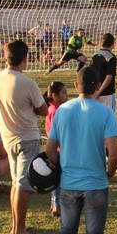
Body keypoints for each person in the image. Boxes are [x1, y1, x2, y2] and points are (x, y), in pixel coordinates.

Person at [45, 66, 117, 234]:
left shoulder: (62, 111)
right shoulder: (105, 112)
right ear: (98, 87)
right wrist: (110, 173)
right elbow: (114, 152)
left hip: (68, 183)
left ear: (76, 86)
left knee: (67, 233)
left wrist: (60, 169)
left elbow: (50, 149)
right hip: (96, 183)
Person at [0, 40, 48, 234]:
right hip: (26, 138)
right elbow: (43, 110)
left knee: (16, 183)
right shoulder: (27, 83)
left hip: (8, 137)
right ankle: (20, 233)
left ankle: (17, 225)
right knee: (23, 185)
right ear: (25, 59)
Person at [44, 81, 69, 217]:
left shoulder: (52, 108)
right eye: (64, 93)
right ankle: (57, 206)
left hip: (57, 147)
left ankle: (55, 204)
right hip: (58, 149)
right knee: (58, 178)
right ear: (54, 95)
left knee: (57, 177)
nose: (67, 96)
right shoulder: (56, 111)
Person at [91, 33, 117, 115]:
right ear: (113, 44)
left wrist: (95, 91)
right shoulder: (111, 57)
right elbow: (109, 77)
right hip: (108, 94)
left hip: (95, 92)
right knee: (110, 119)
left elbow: (91, 74)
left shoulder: (94, 55)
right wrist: (99, 92)